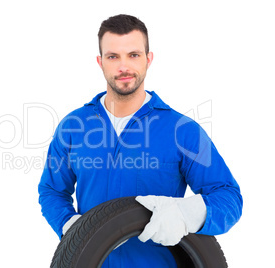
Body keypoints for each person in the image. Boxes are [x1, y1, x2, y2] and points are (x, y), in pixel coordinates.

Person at [38, 14, 242, 267]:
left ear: (148, 58)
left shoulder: (182, 131)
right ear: (101, 62)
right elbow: (51, 190)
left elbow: (228, 197)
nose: (124, 67)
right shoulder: (73, 126)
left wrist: (185, 214)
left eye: (133, 55)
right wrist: (72, 227)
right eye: (113, 56)